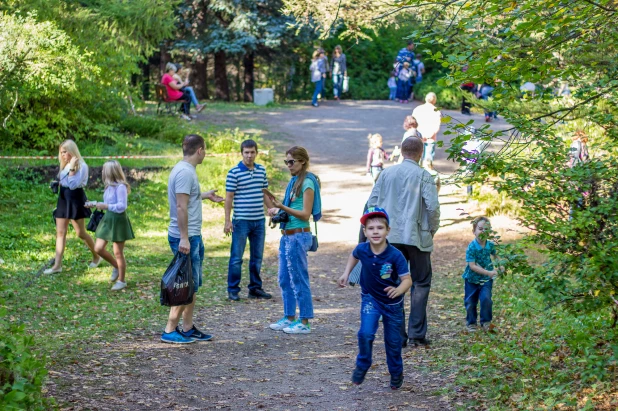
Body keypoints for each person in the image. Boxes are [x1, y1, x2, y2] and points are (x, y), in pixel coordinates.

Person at [367, 136, 440, 347]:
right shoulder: (424, 176)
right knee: (421, 282)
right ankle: (416, 334)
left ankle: (397, 336)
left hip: (390, 238)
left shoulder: (385, 174)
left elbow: (372, 203)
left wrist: (376, 232)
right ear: (420, 153)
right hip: (417, 235)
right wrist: (431, 229)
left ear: (403, 151)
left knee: (391, 283)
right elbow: (433, 208)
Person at [338, 207, 412, 390]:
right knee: (365, 333)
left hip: (392, 305)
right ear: (365, 232)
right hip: (370, 299)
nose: (375, 231)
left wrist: (399, 290)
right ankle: (363, 364)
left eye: (380, 228)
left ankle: (396, 373)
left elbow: (407, 279)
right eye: (371, 228)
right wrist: (346, 273)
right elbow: (353, 256)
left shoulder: (395, 255)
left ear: (388, 231)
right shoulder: (362, 249)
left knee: (393, 343)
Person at [161, 134, 224, 344]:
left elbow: (186, 198)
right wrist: (185, 238)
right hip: (186, 238)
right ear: (200, 150)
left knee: (192, 285)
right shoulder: (185, 173)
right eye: (205, 150)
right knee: (183, 284)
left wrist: (205, 195)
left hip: (192, 235)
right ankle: (170, 330)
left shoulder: (185, 171)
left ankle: (187, 328)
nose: (205, 153)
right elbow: (180, 206)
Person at [265, 146, 322, 334]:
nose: (288, 165)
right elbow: (290, 209)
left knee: (298, 278)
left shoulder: (307, 183)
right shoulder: (294, 182)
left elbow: (305, 214)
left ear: (302, 161)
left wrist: (282, 207)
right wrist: (277, 211)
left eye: (291, 162)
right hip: (287, 236)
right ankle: (289, 317)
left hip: (299, 235)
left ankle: (304, 321)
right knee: (284, 279)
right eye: (286, 162)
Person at [224, 139, 275, 301]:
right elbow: (228, 198)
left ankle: (255, 288)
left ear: (256, 153)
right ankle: (233, 289)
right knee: (237, 257)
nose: (249, 155)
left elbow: (265, 193)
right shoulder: (234, 173)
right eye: (246, 152)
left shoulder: (261, 171)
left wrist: (271, 211)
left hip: (258, 220)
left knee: (257, 256)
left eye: (252, 152)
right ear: (242, 153)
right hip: (241, 221)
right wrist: (227, 220)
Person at [44, 140, 99, 275]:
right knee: (60, 233)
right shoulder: (65, 165)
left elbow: (74, 185)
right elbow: (64, 181)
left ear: (72, 151)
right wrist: (57, 183)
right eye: (61, 152)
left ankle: (97, 255)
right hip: (63, 199)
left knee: (81, 233)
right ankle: (57, 265)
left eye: (65, 152)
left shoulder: (82, 166)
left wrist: (73, 168)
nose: (62, 155)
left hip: (75, 199)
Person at [87, 161, 135, 291]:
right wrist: (96, 204)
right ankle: (116, 266)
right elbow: (108, 203)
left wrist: (106, 206)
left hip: (118, 220)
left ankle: (122, 280)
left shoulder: (121, 187)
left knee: (118, 252)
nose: (102, 172)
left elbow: (122, 206)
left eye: (104, 170)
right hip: (108, 219)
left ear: (111, 172)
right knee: (98, 248)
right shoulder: (108, 186)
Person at [463, 217, 503, 332]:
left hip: (486, 280)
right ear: (474, 231)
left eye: (487, 229)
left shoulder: (490, 245)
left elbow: (496, 256)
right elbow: (472, 266)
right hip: (472, 279)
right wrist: (488, 272)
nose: (483, 232)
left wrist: (500, 265)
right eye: (480, 229)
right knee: (470, 302)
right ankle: (471, 323)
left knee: (486, 299)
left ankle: (486, 321)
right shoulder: (471, 247)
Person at [412, 92, 442, 167]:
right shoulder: (436, 111)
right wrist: (429, 135)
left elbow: (413, 123)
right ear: (435, 100)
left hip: (418, 136)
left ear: (426, 98)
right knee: (428, 160)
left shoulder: (417, 109)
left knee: (416, 157)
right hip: (430, 138)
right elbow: (437, 126)